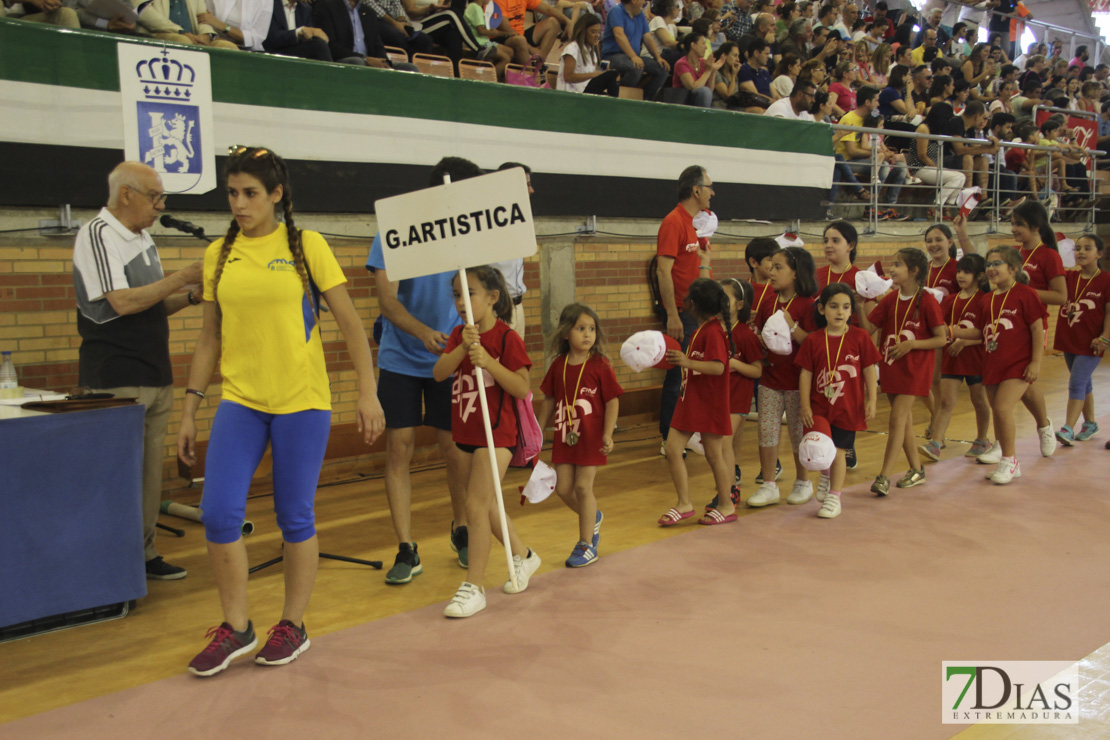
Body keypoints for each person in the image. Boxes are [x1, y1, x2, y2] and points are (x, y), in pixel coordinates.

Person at [177, 145, 385, 676]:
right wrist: (189, 409)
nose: (240, 204)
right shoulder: (217, 255)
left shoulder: (306, 246)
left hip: (302, 402)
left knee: (295, 515)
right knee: (219, 513)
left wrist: (367, 390)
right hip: (241, 402)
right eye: (231, 193)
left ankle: (292, 624)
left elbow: (351, 323)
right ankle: (237, 627)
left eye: (250, 193)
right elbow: (208, 339)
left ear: (276, 194)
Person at [73, 162, 203, 583]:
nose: (160, 206)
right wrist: (181, 275)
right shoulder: (98, 233)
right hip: (116, 375)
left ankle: (144, 555)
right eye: (155, 197)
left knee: (149, 476)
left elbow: (155, 303)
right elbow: (123, 302)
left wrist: (193, 295)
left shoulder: (144, 238)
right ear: (126, 194)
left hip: (155, 372)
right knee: (116, 474)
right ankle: (112, 562)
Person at [367, 157, 479, 585]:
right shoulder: (395, 230)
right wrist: (422, 332)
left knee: (455, 450)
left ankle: (462, 528)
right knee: (400, 449)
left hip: (449, 359)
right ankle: (406, 548)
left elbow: (478, 291)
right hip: (401, 358)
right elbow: (387, 302)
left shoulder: (469, 233)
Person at [433, 267, 539, 618]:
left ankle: (473, 586)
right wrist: (462, 348)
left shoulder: (507, 339)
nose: (462, 302)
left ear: (493, 297)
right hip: (465, 431)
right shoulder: (459, 335)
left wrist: (489, 362)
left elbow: (523, 388)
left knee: (475, 506)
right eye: (457, 295)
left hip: (497, 435)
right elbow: (439, 373)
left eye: (470, 293)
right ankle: (524, 556)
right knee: (485, 503)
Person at [974, 200, 1062, 465]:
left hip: (1032, 325)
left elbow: (1061, 296)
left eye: (1018, 224)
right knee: (1014, 386)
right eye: (1011, 223)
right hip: (1002, 328)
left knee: (1021, 381)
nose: (1012, 229)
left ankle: (1044, 427)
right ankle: (1003, 443)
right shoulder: (1011, 254)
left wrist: (1021, 294)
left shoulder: (1048, 255)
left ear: (1035, 227)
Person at [951, 246, 1044, 484]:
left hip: (1018, 364)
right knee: (999, 413)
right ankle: (1009, 459)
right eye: (988, 265)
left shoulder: (1026, 293)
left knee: (1003, 409)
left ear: (1013, 269)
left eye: (997, 264)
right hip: (992, 363)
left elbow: (1036, 328)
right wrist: (952, 331)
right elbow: (981, 332)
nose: (991, 269)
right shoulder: (988, 299)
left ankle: (1009, 461)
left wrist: (1035, 361)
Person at [538, 303, 622, 567]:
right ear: (566, 333)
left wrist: (607, 434)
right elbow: (549, 400)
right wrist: (538, 430)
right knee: (563, 488)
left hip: (590, 437)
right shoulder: (558, 365)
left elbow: (612, 401)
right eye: (581, 329)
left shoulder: (600, 364)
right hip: (566, 436)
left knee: (583, 487)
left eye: (592, 329)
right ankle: (592, 516)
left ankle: (586, 544)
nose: (587, 334)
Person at [860, 247, 946, 496]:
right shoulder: (889, 300)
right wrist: (861, 303)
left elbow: (941, 339)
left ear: (914, 270)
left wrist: (912, 344)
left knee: (897, 418)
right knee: (904, 423)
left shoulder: (927, 301)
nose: (892, 269)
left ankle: (884, 475)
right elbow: (868, 330)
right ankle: (917, 470)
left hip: (915, 371)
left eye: (897, 265)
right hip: (891, 367)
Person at [656, 278, 737, 526]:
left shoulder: (713, 332)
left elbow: (718, 367)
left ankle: (726, 505)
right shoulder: (701, 329)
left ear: (693, 305)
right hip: (689, 400)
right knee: (672, 449)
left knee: (714, 455)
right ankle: (684, 503)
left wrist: (686, 362)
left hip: (709, 402)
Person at [796, 284, 880, 519]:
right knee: (820, 446)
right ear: (822, 309)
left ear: (851, 311)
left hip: (848, 407)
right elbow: (805, 374)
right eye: (834, 306)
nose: (840, 312)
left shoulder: (860, 336)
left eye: (845, 307)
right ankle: (825, 474)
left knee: (840, 451)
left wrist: (872, 399)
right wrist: (804, 405)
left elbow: (869, 369)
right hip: (819, 406)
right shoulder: (814, 340)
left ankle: (835, 496)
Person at [747, 246, 819, 508]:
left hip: (799, 381)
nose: (771, 272)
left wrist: (791, 325)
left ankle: (803, 481)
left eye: (778, 268)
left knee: (799, 434)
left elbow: (813, 344)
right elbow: (761, 335)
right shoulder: (768, 302)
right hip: (770, 378)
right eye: (771, 266)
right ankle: (769, 484)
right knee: (766, 431)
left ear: (796, 272)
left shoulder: (808, 305)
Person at [656, 165, 713, 447]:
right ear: (696, 190)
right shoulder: (673, 222)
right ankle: (669, 438)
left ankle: (689, 432)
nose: (712, 193)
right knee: (676, 375)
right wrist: (672, 315)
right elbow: (663, 271)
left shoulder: (697, 224)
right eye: (709, 187)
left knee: (694, 374)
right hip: (681, 313)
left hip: (699, 315)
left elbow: (700, 267)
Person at [920, 252, 993, 462]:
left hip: (976, 360)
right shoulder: (950, 300)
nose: (961, 276)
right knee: (945, 402)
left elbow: (986, 332)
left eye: (967, 272)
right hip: (952, 359)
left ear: (979, 276)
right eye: (959, 271)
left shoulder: (984, 300)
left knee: (979, 401)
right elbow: (941, 327)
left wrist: (965, 341)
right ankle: (935, 442)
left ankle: (981, 439)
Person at [705, 278, 761, 504]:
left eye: (725, 298)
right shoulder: (711, 330)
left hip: (738, 398)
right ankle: (725, 488)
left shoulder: (745, 334)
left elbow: (757, 371)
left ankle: (729, 491)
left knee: (723, 443)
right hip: (717, 398)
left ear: (739, 305)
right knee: (719, 445)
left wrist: (736, 365)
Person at [1053, 234, 1110, 445]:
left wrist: (1105, 338)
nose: (1081, 252)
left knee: (1076, 381)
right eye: (1077, 248)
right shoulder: (1068, 278)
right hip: (1069, 339)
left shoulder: (1106, 280)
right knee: (1084, 382)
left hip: (1092, 342)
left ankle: (1068, 428)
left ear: (1100, 254)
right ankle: (1091, 424)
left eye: (1087, 248)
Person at [836, 85, 908, 221]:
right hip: (848, 162)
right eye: (876, 100)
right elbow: (852, 151)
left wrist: (886, 153)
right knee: (884, 166)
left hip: (869, 159)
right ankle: (870, 209)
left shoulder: (871, 119)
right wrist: (877, 154)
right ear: (868, 102)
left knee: (900, 169)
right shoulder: (849, 119)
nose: (878, 104)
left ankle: (888, 208)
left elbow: (879, 140)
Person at [490, 162, 533, 336]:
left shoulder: (521, 220)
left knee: (517, 362)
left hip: (517, 307)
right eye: (527, 185)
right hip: (496, 308)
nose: (531, 190)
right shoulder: (488, 222)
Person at [313, 0, 422, 68]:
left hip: (369, 61)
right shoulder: (326, 5)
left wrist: (385, 62)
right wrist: (365, 59)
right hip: (345, 60)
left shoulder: (368, 12)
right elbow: (331, 45)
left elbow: (377, 45)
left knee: (410, 68)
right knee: (357, 62)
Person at [601, 0, 670, 102]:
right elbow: (619, 35)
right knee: (636, 67)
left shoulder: (640, 14)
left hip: (633, 56)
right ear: (634, 1)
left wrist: (658, 57)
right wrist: (633, 56)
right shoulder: (616, 11)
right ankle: (621, 98)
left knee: (663, 69)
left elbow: (647, 38)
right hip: (613, 56)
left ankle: (645, 99)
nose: (645, 2)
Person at [557, 14, 619, 95]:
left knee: (607, 95)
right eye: (593, 32)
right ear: (583, 32)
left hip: (585, 90)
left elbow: (591, 74)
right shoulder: (573, 48)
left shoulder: (591, 52)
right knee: (612, 75)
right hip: (572, 93)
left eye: (598, 32)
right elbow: (568, 76)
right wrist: (593, 75)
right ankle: (616, 107)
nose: (597, 35)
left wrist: (600, 73)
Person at [262, 0, 333, 60]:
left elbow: (310, 38)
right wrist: (298, 33)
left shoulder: (305, 9)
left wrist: (313, 33)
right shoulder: (271, 4)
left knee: (318, 44)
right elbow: (270, 37)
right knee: (318, 46)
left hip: (296, 54)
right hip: (274, 54)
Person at [673, 31, 725, 107]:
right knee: (704, 91)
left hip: (698, 101)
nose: (706, 47)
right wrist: (708, 71)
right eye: (703, 44)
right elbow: (693, 87)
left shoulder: (704, 63)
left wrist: (713, 70)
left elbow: (709, 91)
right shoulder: (681, 64)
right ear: (693, 45)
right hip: (682, 101)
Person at [198, 0, 274, 50]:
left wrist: (223, 26)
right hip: (211, 41)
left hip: (247, 50)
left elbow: (255, 38)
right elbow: (204, 17)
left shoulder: (266, 1)